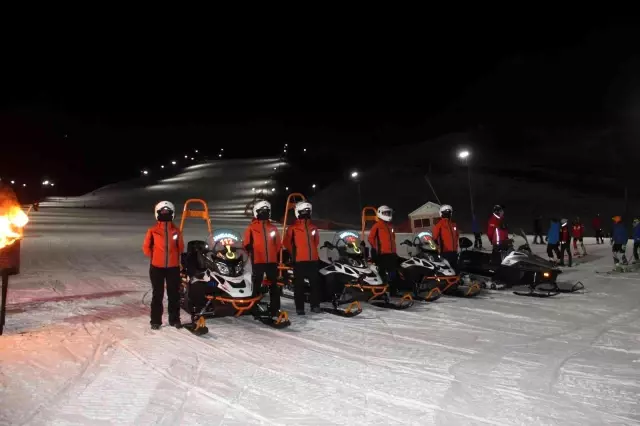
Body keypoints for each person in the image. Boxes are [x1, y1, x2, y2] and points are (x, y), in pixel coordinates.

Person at [143, 201, 185, 330]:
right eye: (163, 212)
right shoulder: (153, 231)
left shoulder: (176, 231)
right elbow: (146, 248)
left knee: (174, 294)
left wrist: (172, 258)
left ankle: (174, 319)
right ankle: (155, 321)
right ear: (158, 213)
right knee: (158, 294)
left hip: (173, 268)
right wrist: (157, 256)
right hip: (157, 268)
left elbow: (181, 247)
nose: (165, 214)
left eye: (167, 212)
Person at [243, 200, 282, 319]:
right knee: (256, 284)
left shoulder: (273, 228)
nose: (264, 213)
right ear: (257, 212)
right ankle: (253, 307)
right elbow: (246, 244)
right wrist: (252, 250)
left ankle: (275, 308)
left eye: (266, 211)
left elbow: (278, 244)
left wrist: (272, 255)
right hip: (257, 260)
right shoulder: (251, 228)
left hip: (271, 261)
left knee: (274, 285)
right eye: (262, 211)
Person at [284, 201, 321, 315]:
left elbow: (316, 242)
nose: (306, 213)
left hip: (313, 260)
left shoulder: (313, 227)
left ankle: (315, 305)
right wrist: (295, 253)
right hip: (299, 261)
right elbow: (287, 242)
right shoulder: (293, 228)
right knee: (299, 286)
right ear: (298, 212)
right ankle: (300, 308)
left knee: (315, 284)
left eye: (307, 211)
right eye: (303, 211)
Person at [367, 205, 397, 285]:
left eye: (388, 213)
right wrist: (376, 248)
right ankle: (381, 289)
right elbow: (370, 238)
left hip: (391, 253)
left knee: (393, 272)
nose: (387, 215)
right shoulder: (377, 226)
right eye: (385, 213)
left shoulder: (390, 226)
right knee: (382, 272)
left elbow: (393, 238)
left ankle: (393, 290)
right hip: (382, 254)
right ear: (380, 213)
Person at [432, 204, 459, 271]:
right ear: (441, 213)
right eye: (445, 212)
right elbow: (434, 237)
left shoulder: (454, 224)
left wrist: (458, 247)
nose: (447, 214)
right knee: (447, 270)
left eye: (449, 212)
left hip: (454, 252)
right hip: (445, 252)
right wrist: (436, 247)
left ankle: (455, 281)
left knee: (455, 269)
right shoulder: (439, 224)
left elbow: (457, 236)